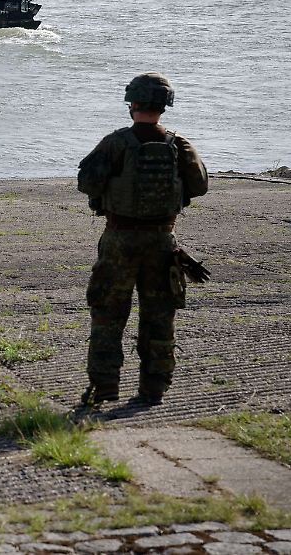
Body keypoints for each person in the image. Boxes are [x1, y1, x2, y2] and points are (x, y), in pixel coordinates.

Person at [76, 73, 209, 408]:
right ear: (165, 105)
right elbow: (199, 185)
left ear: (131, 103)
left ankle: (105, 387)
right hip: (163, 242)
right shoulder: (180, 144)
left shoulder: (116, 142)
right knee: (159, 316)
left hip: (119, 240)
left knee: (108, 314)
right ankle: (154, 388)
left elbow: (87, 182)